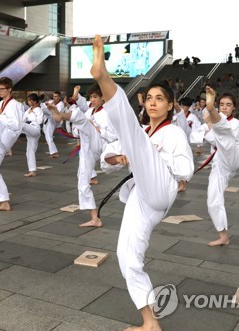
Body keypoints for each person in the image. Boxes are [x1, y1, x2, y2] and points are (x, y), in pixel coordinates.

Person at [91, 35, 193, 331]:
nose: (152, 103)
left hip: (161, 189)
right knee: (127, 258)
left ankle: (104, 78)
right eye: (148, 98)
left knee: (135, 137)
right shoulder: (143, 134)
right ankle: (150, 322)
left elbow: (186, 169)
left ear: (171, 105)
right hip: (141, 197)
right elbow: (109, 157)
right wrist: (119, 158)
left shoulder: (173, 133)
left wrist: (152, 157)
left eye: (159, 99)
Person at [48, 83, 117, 227]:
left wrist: (98, 129)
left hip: (100, 143)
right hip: (86, 146)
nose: (92, 100)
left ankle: (60, 116)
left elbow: (113, 136)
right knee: (82, 181)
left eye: (95, 97)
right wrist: (80, 131)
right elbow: (77, 130)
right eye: (91, 97)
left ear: (103, 98)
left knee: (82, 118)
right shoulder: (90, 111)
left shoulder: (109, 113)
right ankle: (94, 218)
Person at [201, 88, 239, 246]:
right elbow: (205, 137)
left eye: (228, 105)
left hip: (232, 156)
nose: (225, 107)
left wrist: (209, 120)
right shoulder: (213, 121)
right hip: (219, 164)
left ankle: (209, 106)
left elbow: (218, 138)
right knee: (213, 200)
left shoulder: (236, 123)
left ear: (234, 108)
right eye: (222, 104)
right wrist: (208, 122)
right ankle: (223, 236)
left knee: (224, 136)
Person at [0, 77, 24, 211]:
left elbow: (16, 124)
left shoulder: (16, 105)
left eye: (2, 89)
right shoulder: (1, 103)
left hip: (7, 134)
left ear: (10, 89)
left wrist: (0, 116)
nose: (0, 91)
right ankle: (3, 201)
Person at [22, 93, 44, 177]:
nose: (28, 102)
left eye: (29, 100)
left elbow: (39, 121)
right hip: (29, 131)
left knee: (20, 125)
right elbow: (23, 119)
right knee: (29, 152)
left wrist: (33, 113)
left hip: (35, 129)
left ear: (34, 101)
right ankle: (32, 171)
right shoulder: (28, 110)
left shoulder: (39, 110)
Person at [42, 91, 65, 158]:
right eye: (54, 96)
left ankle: (54, 152)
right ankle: (53, 150)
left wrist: (50, 106)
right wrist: (48, 105)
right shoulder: (51, 101)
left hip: (54, 120)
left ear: (59, 97)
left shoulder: (61, 104)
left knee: (48, 136)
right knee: (48, 136)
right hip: (47, 120)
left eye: (56, 96)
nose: (54, 98)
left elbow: (56, 113)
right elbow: (45, 104)